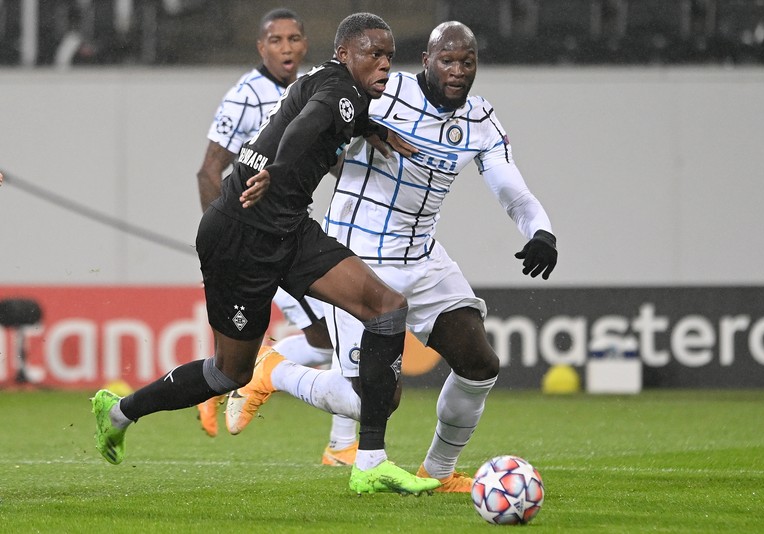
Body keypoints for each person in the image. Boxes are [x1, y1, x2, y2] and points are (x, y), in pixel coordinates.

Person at [91, 12, 441, 497]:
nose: (384, 64)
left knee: (387, 308)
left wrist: (374, 129)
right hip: (239, 235)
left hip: (289, 231)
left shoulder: (333, 83)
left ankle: (370, 462)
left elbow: (335, 114)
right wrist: (276, 171)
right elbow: (307, 125)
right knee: (226, 372)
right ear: (344, 54)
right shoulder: (338, 92)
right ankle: (118, 412)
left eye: (388, 56)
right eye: (373, 54)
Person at [224, 21, 558, 493]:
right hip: (358, 259)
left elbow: (512, 191)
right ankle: (273, 370)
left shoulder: (481, 120)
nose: (458, 71)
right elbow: (313, 113)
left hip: (423, 258)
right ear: (426, 61)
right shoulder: (381, 92)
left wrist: (540, 230)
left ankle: (438, 473)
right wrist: (277, 174)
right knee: (374, 400)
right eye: (448, 60)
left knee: (480, 363)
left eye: (468, 62)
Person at [192, 8, 337, 438]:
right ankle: (244, 378)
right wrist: (224, 240)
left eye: (294, 38)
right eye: (276, 40)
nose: (286, 47)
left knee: (324, 337)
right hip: (254, 241)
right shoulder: (245, 96)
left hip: (284, 233)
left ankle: (218, 383)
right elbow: (208, 171)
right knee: (327, 334)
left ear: (305, 44)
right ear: (262, 46)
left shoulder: (310, 86)